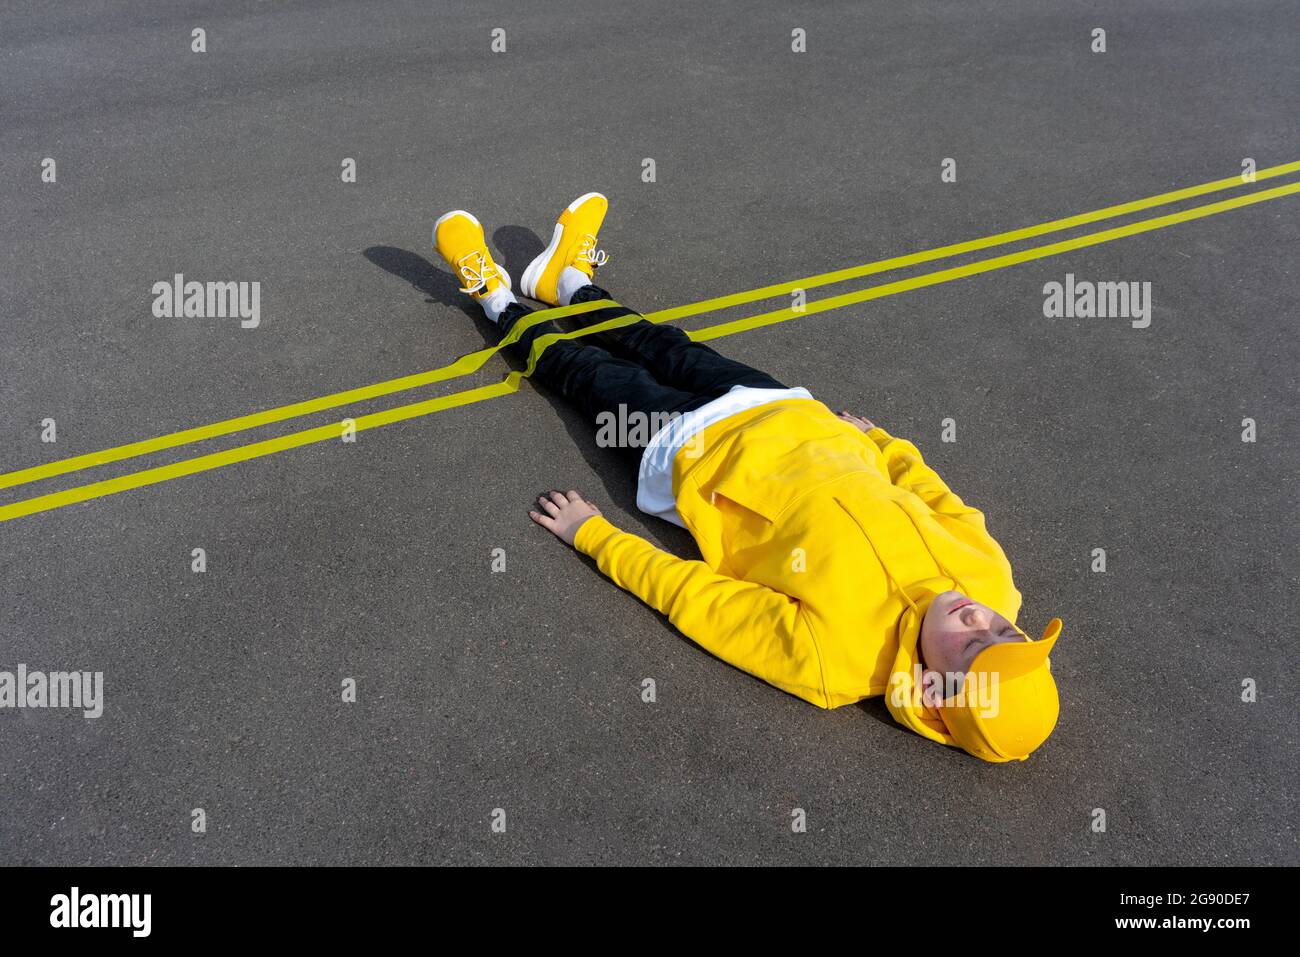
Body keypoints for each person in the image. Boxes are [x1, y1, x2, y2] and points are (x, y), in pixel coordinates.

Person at [433, 192, 1063, 762]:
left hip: (685, 448)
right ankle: (566, 279)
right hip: (779, 408)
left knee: (579, 368)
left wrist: (594, 536)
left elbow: (702, 603)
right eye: (1004, 629)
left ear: (931, 692)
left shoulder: (834, 659)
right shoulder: (991, 576)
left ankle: (492, 295)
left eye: (975, 646)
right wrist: (879, 441)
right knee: (659, 342)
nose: (980, 618)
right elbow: (931, 494)